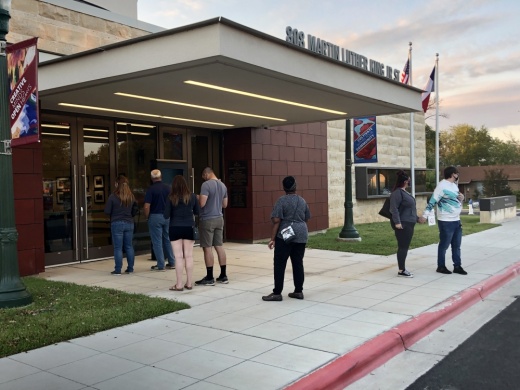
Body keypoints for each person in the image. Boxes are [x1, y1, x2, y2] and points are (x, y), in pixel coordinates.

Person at [262, 176, 311, 301]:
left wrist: (272, 238)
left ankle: (277, 293)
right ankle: (298, 291)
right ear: (296, 186)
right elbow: (306, 217)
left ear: (283, 188)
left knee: (279, 263)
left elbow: (276, 220)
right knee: (298, 262)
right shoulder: (302, 201)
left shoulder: (281, 201)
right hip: (301, 234)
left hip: (284, 235)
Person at [419, 166, 467, 275]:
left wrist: (462, 198)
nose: (458, 175)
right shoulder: (441, 186)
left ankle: (457, 266)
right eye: (457, 173)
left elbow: (456, 200)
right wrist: (425, 216)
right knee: (444, 245)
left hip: (456, 220)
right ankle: (441, 266)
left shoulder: (454, 186)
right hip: (446, 221)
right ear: (453, 174)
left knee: (456, 245)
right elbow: (432, 201)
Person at [164, 175, 200, 291]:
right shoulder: (192, 196)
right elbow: (197, 212)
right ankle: (189, 283)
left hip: (175, 227)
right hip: (189, 226)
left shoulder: (171, 197)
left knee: (178, 257)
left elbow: (166, 215)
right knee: (188, 256)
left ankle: (179, 284)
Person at [195, 167, 229, 286]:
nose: (203, 178)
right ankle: (223, 275)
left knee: (207, 247)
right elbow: (225, 204)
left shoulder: (206, 185)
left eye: (203, 176)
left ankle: (209, 277)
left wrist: (198, 197)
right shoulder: (223, 185)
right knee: (219, 246)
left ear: (206, 174)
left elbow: (202, 203)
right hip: (219, 218)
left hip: (207, 219)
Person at [389, 170, 421, 278]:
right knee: (403, 247)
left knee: (405, 246)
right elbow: (394, 209)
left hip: (409, 223)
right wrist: (397, 222)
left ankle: (402, 269)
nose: (410, 182)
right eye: (409, 180)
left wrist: (417, 219)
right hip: (403, 224)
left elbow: (409, 209)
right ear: (406, 181)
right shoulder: (397, 193)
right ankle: (401, 270)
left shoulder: (405, 193)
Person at [104, 175, 138, 275]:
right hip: (129, 223)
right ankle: (130, 268)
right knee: (129, 246)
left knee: (118, 248)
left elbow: (107, 211)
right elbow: (134, 210)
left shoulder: (113, 196)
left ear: (116, 184)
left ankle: (118, 269)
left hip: (117, 223)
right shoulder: (131, 196)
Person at [144, 169, 175, 271]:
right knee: (167, 239)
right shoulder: (168, 188)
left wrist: (146, 216)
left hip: (155, 216)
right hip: (167, 216)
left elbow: (147, 206)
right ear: (161, 177)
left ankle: (160, 264)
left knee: (157, 241)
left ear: (152, 178)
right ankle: (172, 262)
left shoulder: (151, 189)